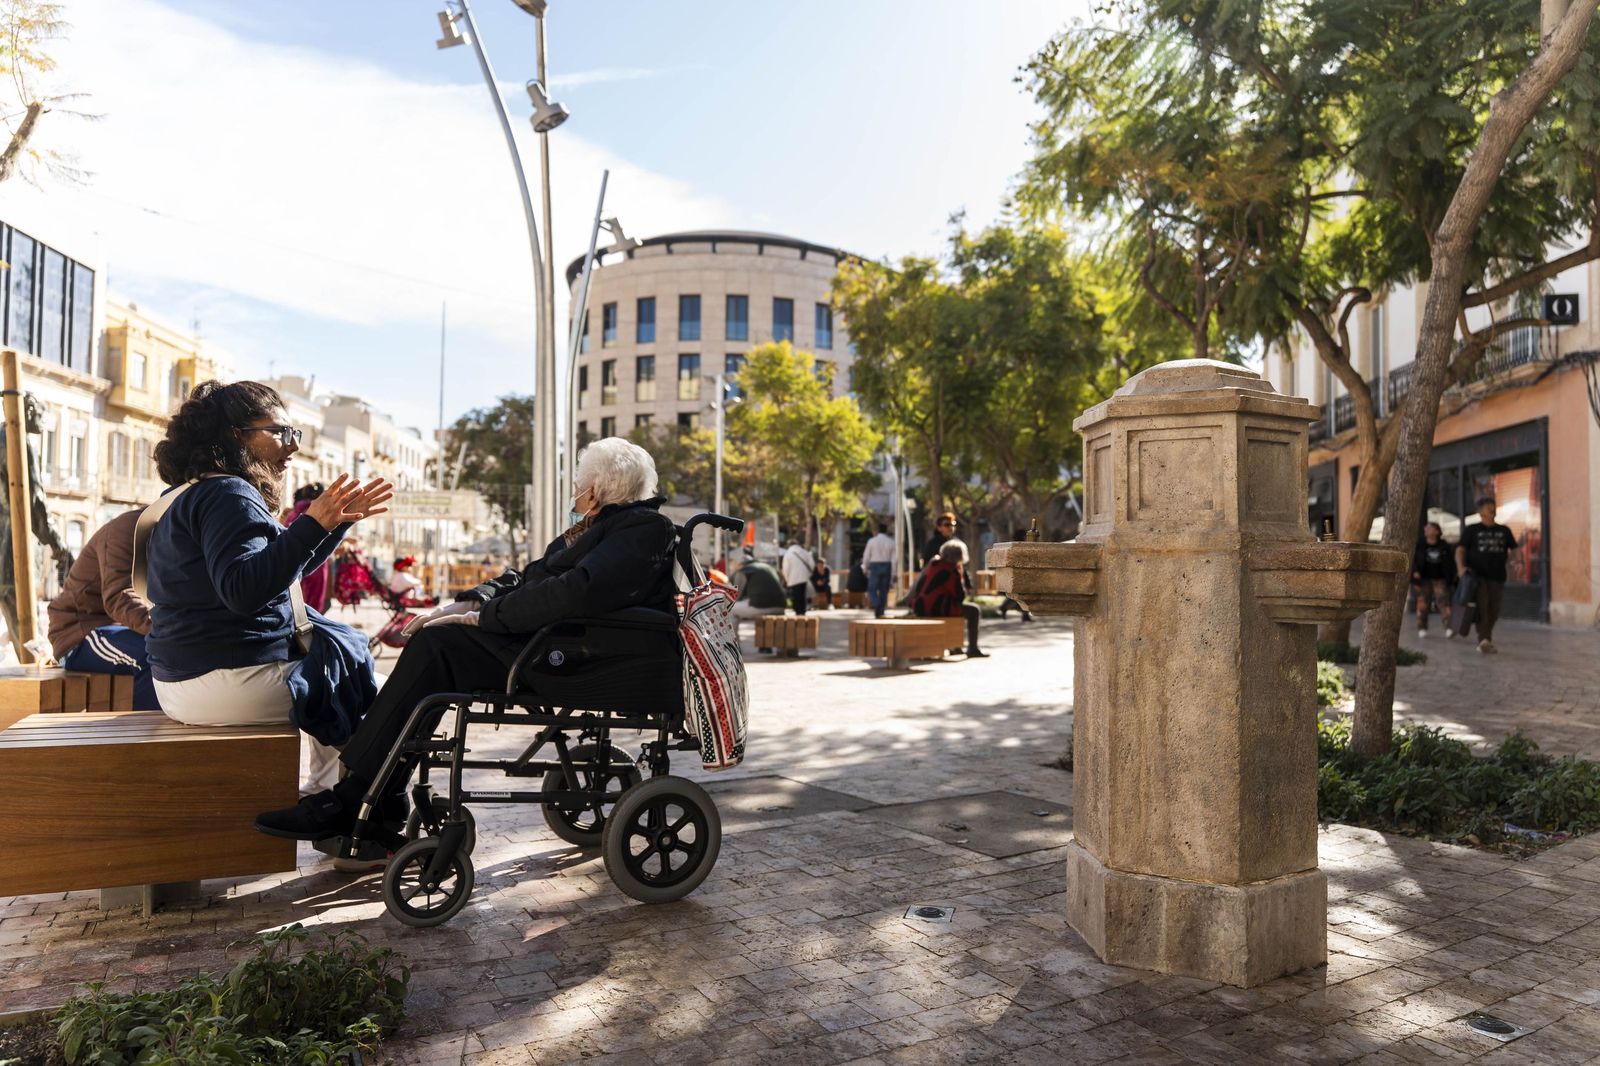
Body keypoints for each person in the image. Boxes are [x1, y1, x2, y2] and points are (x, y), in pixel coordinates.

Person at [253, 436, 680, 842]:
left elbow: (574, 592)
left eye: (578, 487)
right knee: (435, 644)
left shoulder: (644, 529)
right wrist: (469, 602)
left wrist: (484, 618)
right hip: (553, 647)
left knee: (437, 649)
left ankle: (357, 799)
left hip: (575, 659)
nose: (574, 495)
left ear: (596, 491)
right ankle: (376, 797)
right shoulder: (601, 528)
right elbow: (530, 577)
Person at [143, 381, 393, 795]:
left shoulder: (187, 493)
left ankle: (327, 796)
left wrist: (330, 525)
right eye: (280, 432)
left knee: (344, 676)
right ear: (236, 436)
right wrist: (312, 524)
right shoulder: (229, 493)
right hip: (227, 679)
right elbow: (244, 591)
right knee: (386, 700)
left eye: (295, 433)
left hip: (181, 680)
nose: (292, 446)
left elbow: (279, 575)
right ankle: (346, 810)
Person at [46, 507, 159, 709]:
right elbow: (118, 597)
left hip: (116, 629)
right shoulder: (127, 530)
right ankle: (148, 730)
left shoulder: (178, 537)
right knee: (155, 656)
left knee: (174, 651)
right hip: (79, 632)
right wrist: (165, 629)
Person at [1456, 497, 1518, 654]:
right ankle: (1484, 639)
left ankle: (1485, 638)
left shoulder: (1504, 530)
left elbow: (1515, 549)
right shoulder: (1472, 530)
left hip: (1498, 576)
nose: (1492, 509)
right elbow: (1460, 550)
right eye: (1488, 506)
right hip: (1477, 576)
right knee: (1483, 606)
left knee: (1494, 609)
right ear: (1480, 511)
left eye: (1493, 506)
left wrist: (1519, 562)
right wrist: (1460, 568)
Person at [911, 539, 987, 658]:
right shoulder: (951, 570)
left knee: (955, 606)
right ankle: (972, 648)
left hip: (920, 606)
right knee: (973, 610)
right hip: (937, 608)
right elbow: (960, 595)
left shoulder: (933, 564)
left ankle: (955, 647)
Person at [283, 483, 332, 613]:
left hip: (292, 563)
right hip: (316, 564)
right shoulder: (320, 513)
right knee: (313, 605)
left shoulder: (292, 514)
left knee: (294, 603)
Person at [1411, 521, 1453, 638]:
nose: (1426, 530)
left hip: (1440, 578)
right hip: (1423, 579)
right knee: (1422, 603)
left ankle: (1448, 627)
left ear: (1437, 531)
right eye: (1426, 528)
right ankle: (1422, 627)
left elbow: (1450, 563)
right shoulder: (1420, 545)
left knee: (1443, 601)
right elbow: (1413, 559)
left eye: (1430, 528)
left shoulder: (1444, 545)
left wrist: (1450, 578)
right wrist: (1415, 572)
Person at [732, 552, 787, 636]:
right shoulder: (768, 567)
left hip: (762, 607)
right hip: (781, 606)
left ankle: (732, 643)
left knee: (730, 609)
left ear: (741, 564)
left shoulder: (745, 570)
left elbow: (736, 594)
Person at [861, 522, 895, 618]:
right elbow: (894, 559)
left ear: (878, 531)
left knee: (871, 588)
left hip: (875, 565)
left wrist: (865, 567)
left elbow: (866, 555)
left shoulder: (872, 541)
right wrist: (894, 572)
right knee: (884, 589)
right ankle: (881, 610)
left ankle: (877, 604)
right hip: (887, 565)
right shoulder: (891, 542)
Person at [780, 538, 815, 616]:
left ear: (789, 545)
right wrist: (808, 574)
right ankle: (802, 611)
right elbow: (812, 564)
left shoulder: (788, 553)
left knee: (796, 595)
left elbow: (786, 568)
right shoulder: (804, 552)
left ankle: (797, 611)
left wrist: (787, 579)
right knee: (802, 594)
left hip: (793, 578)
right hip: (804, 577)